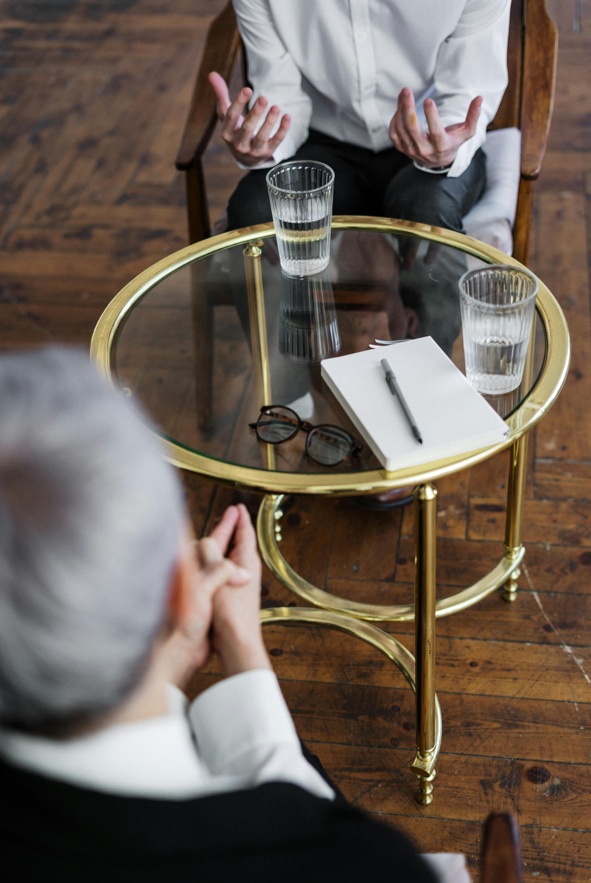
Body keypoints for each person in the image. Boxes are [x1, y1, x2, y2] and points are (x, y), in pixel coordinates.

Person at [0, 347, 471, 881]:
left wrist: (176, 660)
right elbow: (306, 831)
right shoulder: (362, 865)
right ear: (181, 590)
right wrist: (240, 647)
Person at [210, 0, 511, 234]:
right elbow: (281, 93)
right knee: (254, 210)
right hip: (322, 142)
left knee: (428, 211)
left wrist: (444, 145)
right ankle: (292, 317)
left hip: (428, 139)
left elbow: (466, 91)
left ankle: (438, 317)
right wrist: (263, 142)